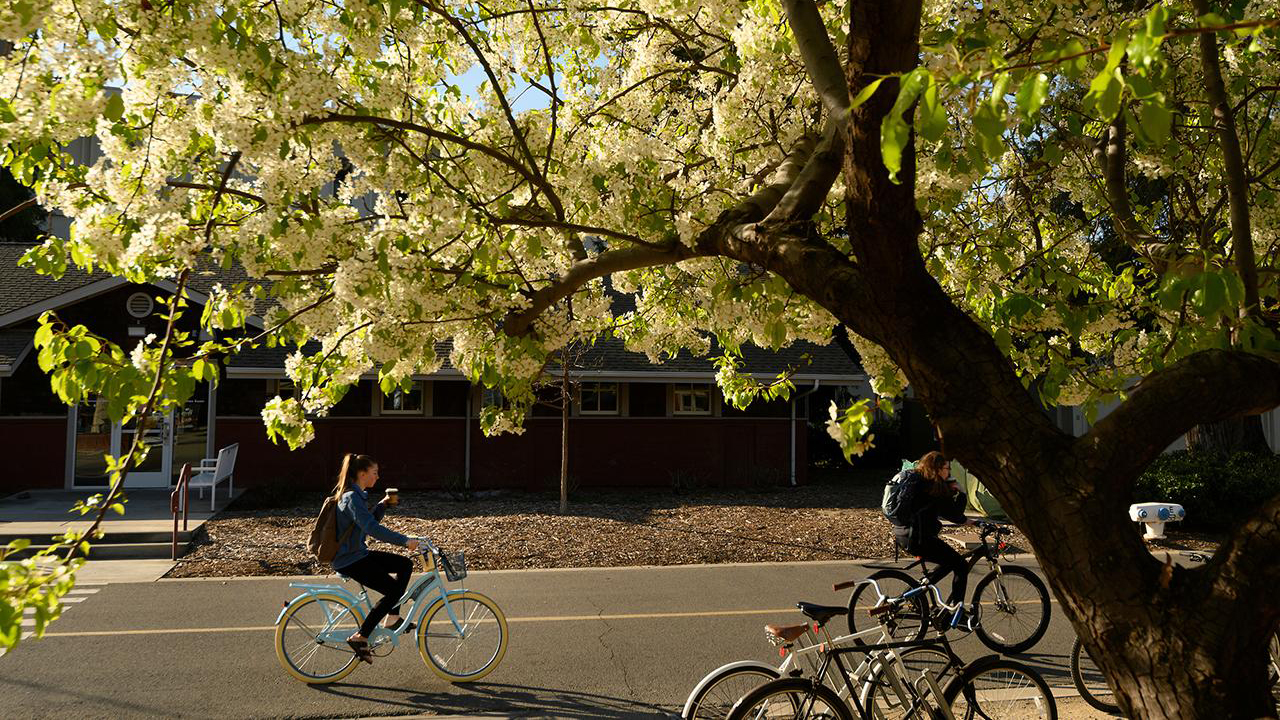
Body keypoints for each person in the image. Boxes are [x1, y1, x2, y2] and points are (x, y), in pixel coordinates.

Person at [329, 453, 420, 663]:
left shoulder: (356, 495)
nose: (378, 477)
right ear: (362, 474)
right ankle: (361, 636)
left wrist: (383, 505)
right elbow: (371, 528)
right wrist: (404, 540)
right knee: (393, 590)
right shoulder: (351, 497)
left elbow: (364, 522)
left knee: (404, 564)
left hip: (357, 554)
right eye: (375, 473)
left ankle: (392, 618)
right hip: (350, 560)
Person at [891, 451, 976, 622]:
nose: (949, 473)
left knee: (948, 561)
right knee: (960, 565)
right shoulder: (935, 487)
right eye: (947, 469)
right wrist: (962, 493)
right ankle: (958, 613)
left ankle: (915, 593)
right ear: (937, 469)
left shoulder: (921, 481)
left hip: (903, 533)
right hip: (919, 538)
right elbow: (955, 515)